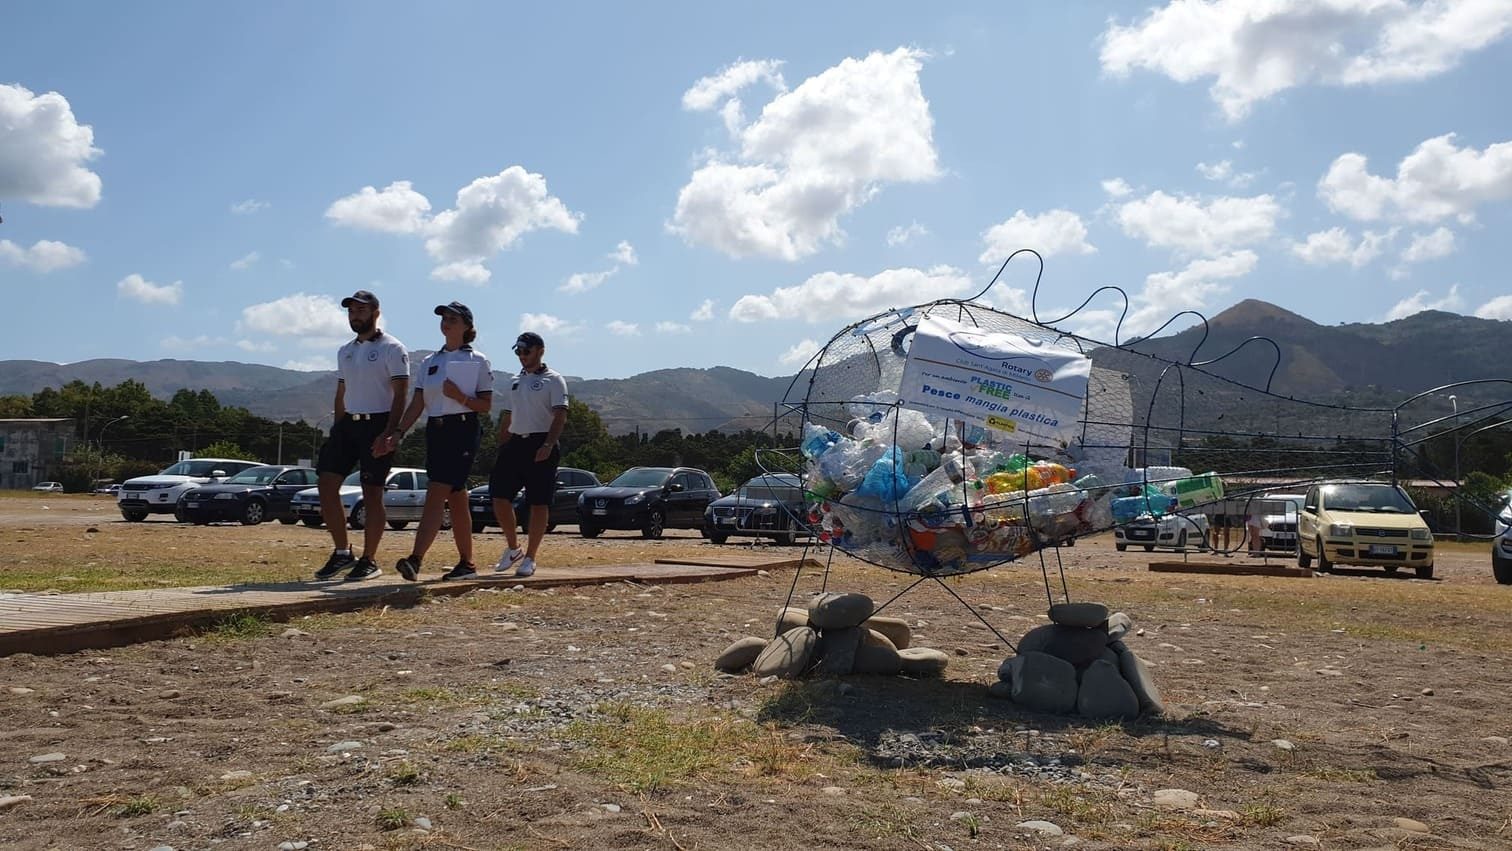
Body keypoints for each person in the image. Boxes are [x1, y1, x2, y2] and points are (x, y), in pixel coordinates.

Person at [389, 302, 494, 581]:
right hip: (436, 431)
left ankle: (416, 559)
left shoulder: (477, 361)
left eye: (453, 318)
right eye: (444, 318)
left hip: (462, 430)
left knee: (437, 492)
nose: (446, 322)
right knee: (458, 499)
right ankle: (467, 564)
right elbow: (418, 402)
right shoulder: (429, 362)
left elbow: (485, 405)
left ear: (467, 326)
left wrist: (459, 396)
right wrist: (399, 432)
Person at [313, 290, 409, 581]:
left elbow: (401, 392)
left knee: (372, 492)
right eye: (351, 310)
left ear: (375, 313)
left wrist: (390, 432)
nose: (355, 315)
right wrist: (337, 426)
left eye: (361, 310)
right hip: (347, 425)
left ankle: (369, 559)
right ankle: (343, 552)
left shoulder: (393, 348)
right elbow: (342, 391)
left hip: (378, 424)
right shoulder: (345, 350)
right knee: (326, 482)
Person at [490, 331, 568, 577]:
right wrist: (502, 442)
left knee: (538, 501)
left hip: (540, 441)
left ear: (540, 350)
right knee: (498, 496)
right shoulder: (515, 380)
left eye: (526, 351)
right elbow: (508, 414)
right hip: (515, 443)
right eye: (518, 352)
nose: (522, 356)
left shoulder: (554, 380)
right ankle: (513, 548)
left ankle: (531, 557)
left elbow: (560, 415)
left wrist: (548, 444)